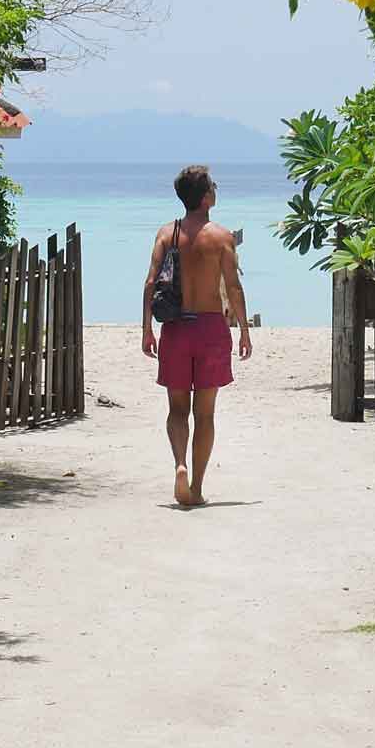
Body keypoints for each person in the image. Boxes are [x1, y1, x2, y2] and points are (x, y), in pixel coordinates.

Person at [140, 163, 251, 507]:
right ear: (205, 198)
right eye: (213, 186)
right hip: (210, 328)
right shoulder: (221, 237)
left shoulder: (165, 233)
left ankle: (180, 465)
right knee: (205, 414)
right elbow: (233, 287)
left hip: (174, 327)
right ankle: (198, 489)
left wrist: (147, 330)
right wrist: (245, 330)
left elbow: (149, 284)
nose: (216, 190)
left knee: (176, 410)